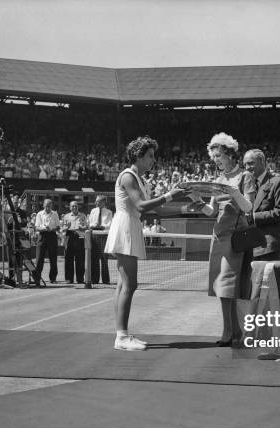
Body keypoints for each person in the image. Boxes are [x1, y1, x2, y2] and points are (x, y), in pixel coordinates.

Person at [105, 136, 188, 351]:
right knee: (129, 284)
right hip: (125, 227)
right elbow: (142, 206)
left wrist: (184, 209)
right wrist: (170, 195)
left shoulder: (143, 181)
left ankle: (121, 335)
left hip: (131, 227)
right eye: (150, 156)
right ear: (139, 157)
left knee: (124, 284)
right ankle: (121, 337)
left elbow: (157, 210)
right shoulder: (128, 176)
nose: (153, 160)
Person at [191, 132, 256, 345]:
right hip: (217, 237)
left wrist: (233, 192)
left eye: (219, 155)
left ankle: (229, 333)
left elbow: (249, 207)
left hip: (235, 238)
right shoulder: (217, 180)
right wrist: (196, 199)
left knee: (227, 287)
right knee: (221, 288)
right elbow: (211, 212)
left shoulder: (245, 176)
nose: (216, 159)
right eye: (214, 156)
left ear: (229, 154)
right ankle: (233, 331)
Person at [243, 149, 280, 261]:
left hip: (270, 248)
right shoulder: (247, 186)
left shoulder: (278, 182)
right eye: (245, 164)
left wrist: (253, 217)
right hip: (249, 247)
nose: (247, 167)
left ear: (262, 161)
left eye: (250, 163)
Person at [33, 198, 60, 285]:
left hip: (52, 235)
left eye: (49, 205)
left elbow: (58, 227)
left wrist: (52, 228)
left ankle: (53, 278)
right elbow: (36, 227)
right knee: (39, 259)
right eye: (46, 205)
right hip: (42, 235)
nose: (48, 207)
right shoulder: (39, 214)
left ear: (52, 205)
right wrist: (44, 228)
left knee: (53, 258)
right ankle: (37, 279)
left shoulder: (55, 214)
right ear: (43, 205)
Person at [88, 195, 113, 284]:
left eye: (98, 201)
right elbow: (90, 222)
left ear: (103, 202)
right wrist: (94, 225)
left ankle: (106, 280)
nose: (96, 203)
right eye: (96, 201)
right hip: (94, 235)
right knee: (94, 258)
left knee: (104, 258)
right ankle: (95, 279)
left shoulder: (109, 212)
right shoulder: (93, 211)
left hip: (104, 236)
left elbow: (110, 224)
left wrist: (102, 226)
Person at [61, 201, 88, 284]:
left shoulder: (83, 215)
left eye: (76, 206)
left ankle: (80, 278)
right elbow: (62, 229)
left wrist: (82, 227)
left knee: (80, 259)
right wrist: (67, 227)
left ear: (78, 207)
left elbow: (86, 226)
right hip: (69, 236)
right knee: (68, 258)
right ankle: (69, 278)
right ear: (70, 207)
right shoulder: (66, 216)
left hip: (79, 236)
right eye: (72, 206)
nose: (74, 208)